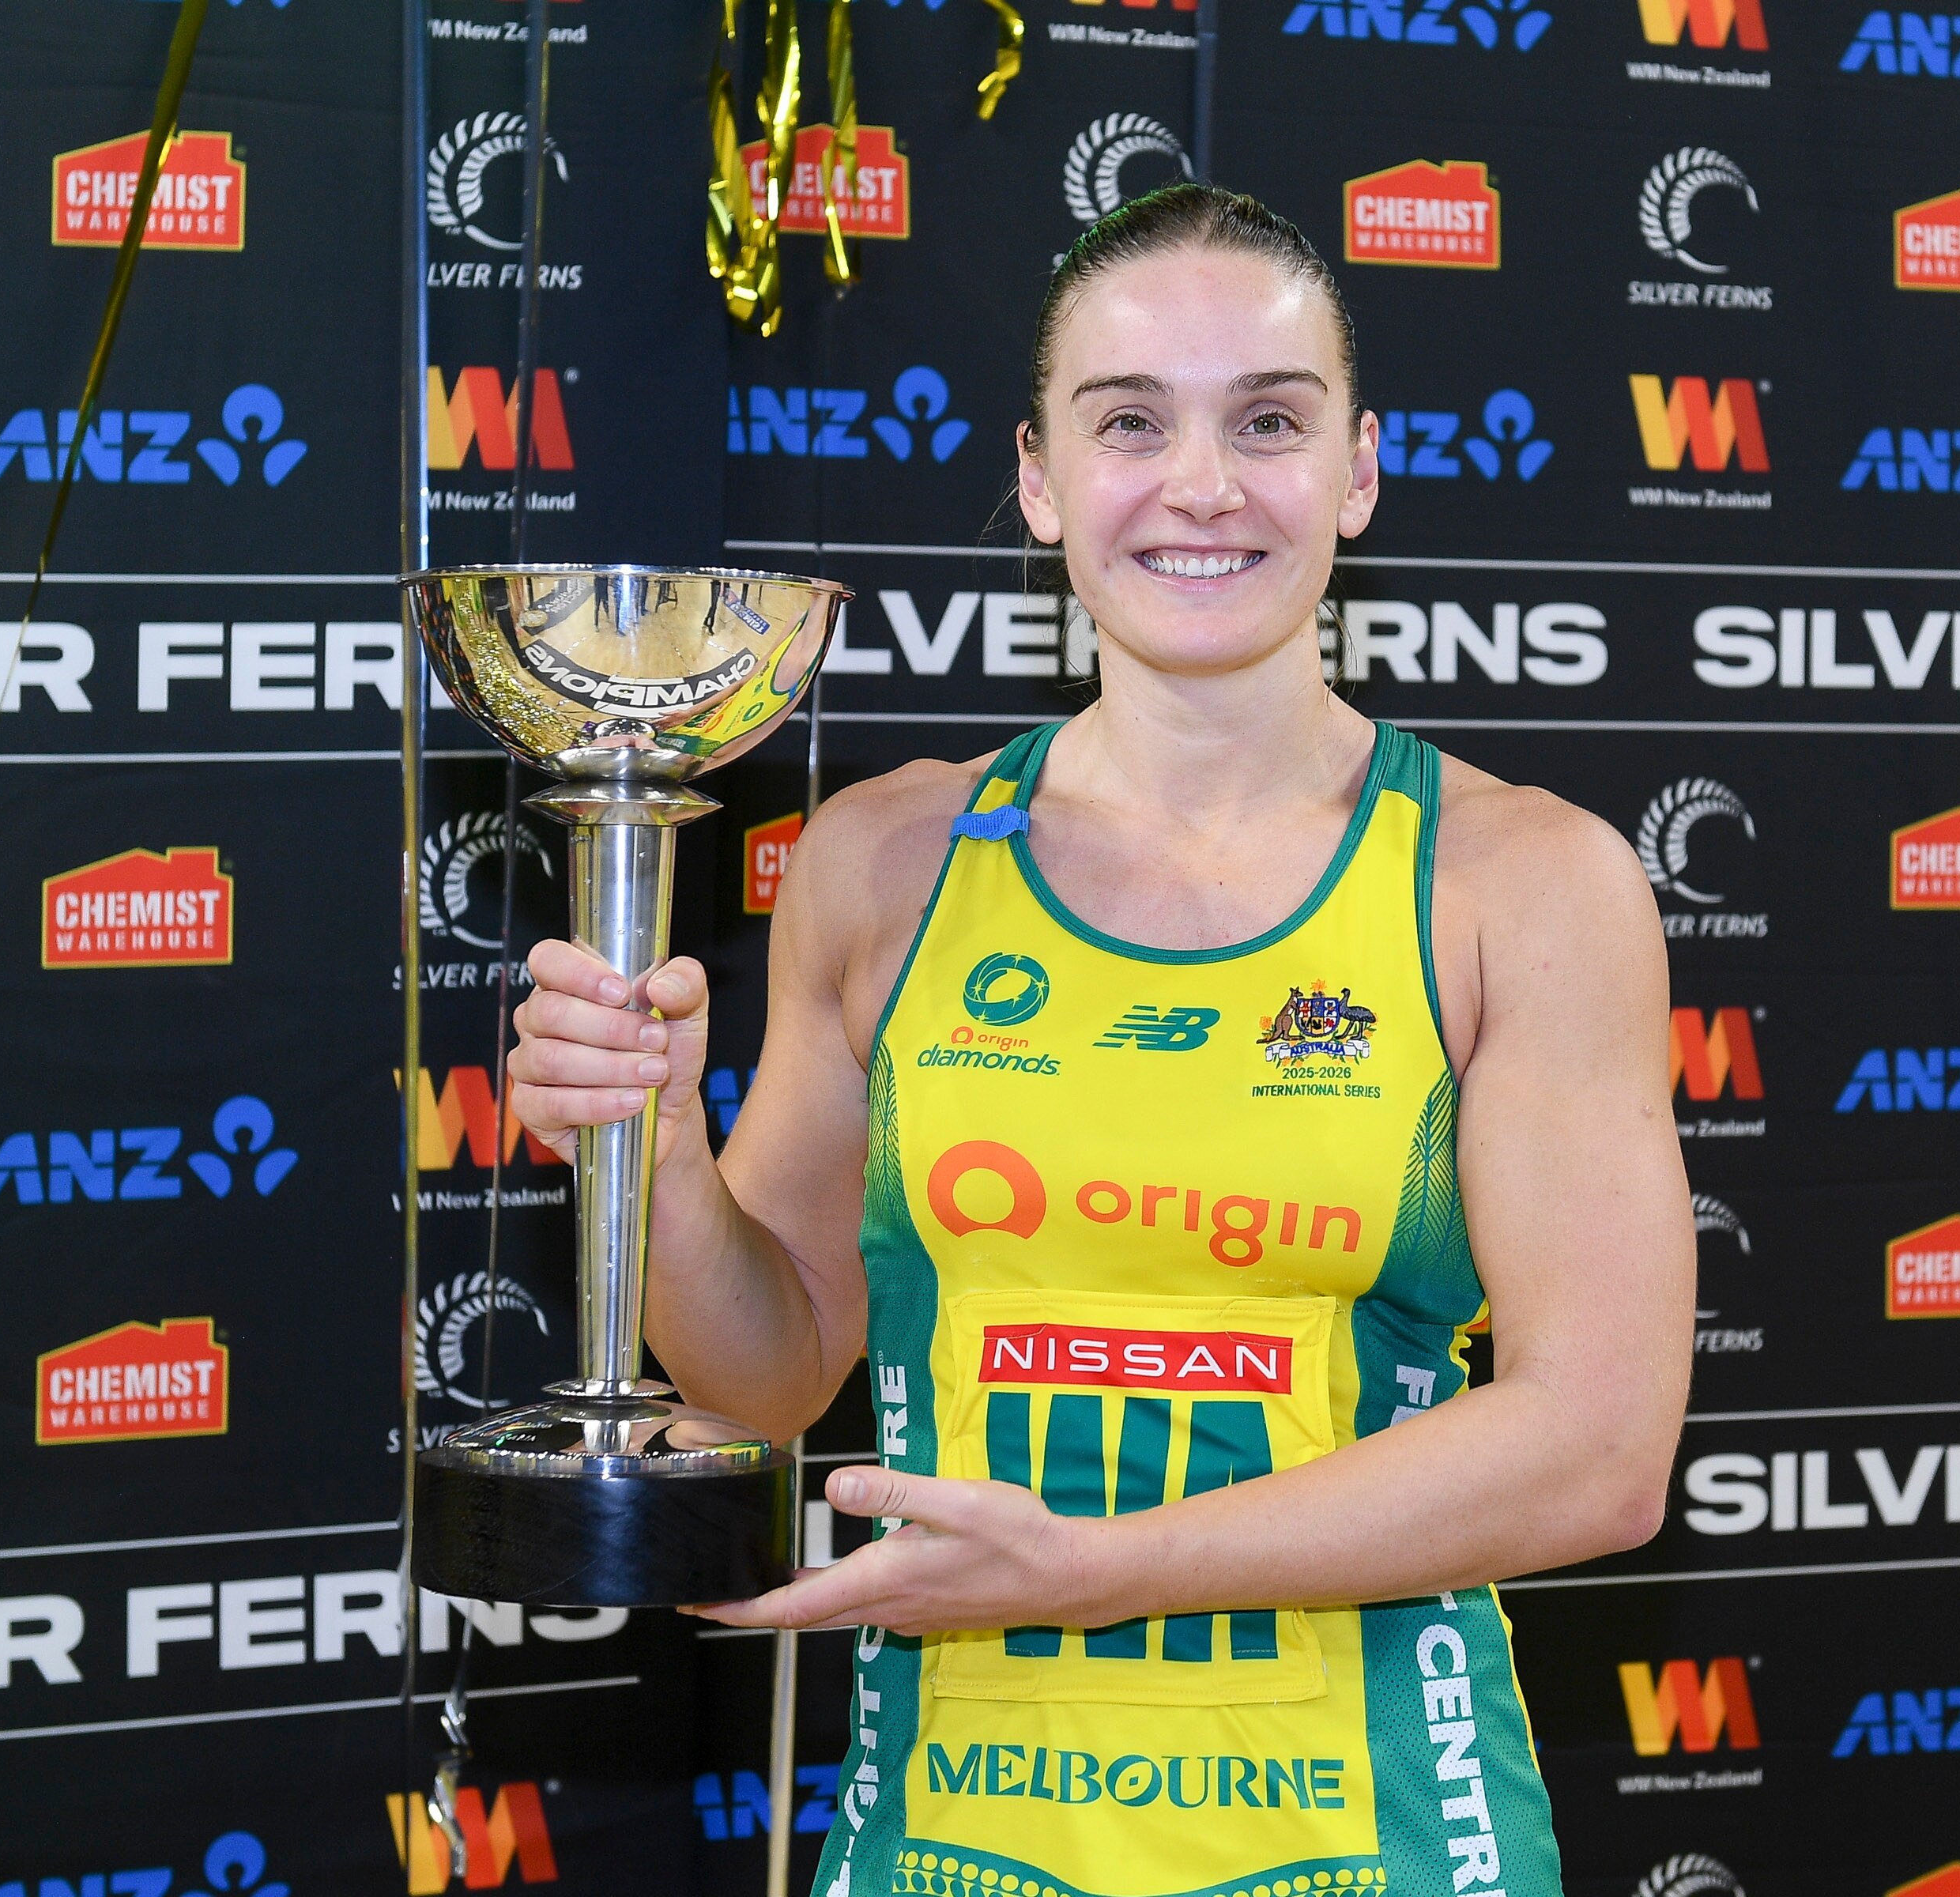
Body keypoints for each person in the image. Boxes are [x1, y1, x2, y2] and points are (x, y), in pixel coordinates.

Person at [506, 183, 1696, 1897]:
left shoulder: (1521, 880)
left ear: (1357, 472)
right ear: (1041, 478)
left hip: (1376, 1841)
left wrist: (1096, 1567)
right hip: (953, 1830)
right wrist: (665, 1155)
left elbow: (1597, 1450)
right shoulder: (888, 859)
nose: (1201, 486)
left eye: (1269, 423)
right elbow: (767, 1378)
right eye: (1129, 422)